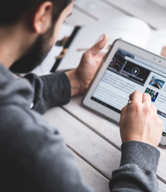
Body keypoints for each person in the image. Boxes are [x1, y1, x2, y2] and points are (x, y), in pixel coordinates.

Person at [0, 0, 163, 191]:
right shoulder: (32, 148)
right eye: (63, 20)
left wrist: (73, 81)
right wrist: (140, 147)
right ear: (42, 15)